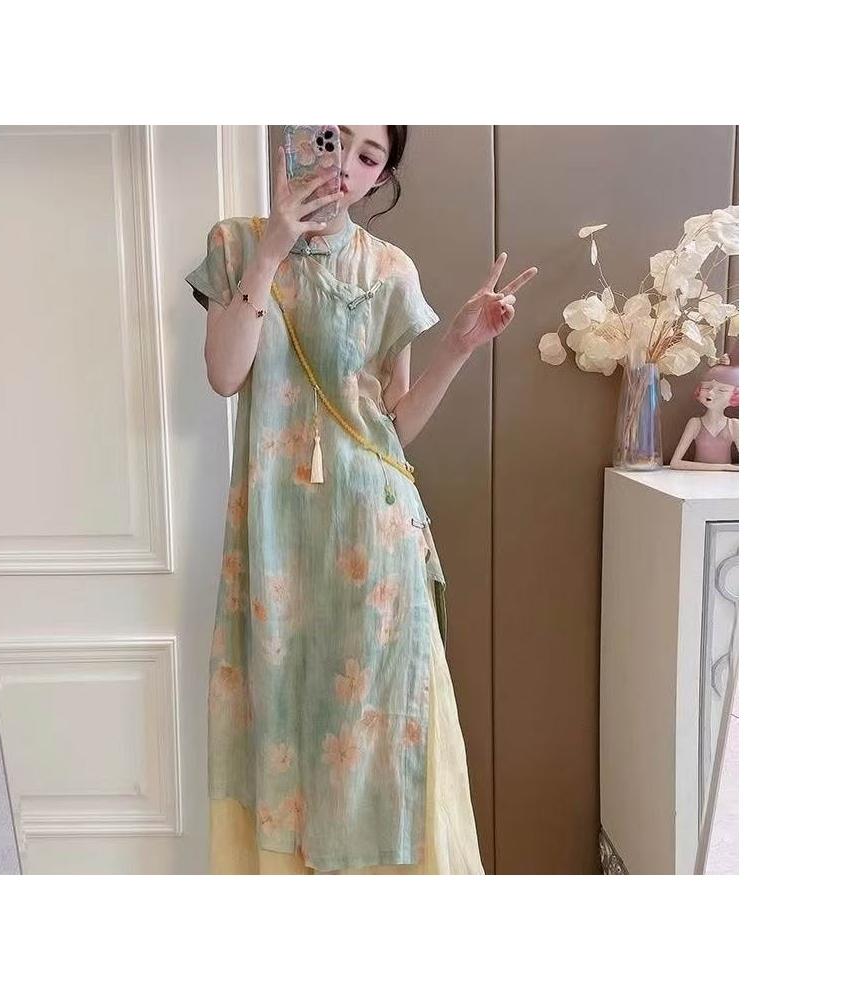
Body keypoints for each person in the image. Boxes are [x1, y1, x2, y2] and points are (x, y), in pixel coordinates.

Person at [186, 126, 538, 874]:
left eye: (369, 156)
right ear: (295, 139)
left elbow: (392, 427)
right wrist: (273, 249)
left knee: (373, 729)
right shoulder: (236, 243)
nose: (344, 165)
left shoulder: (389, 270)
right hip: (273, 536)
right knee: (277, 719)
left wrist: (458, 346)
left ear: (381, 178)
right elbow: (224, 374)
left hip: (372, 537)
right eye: (333, 138)